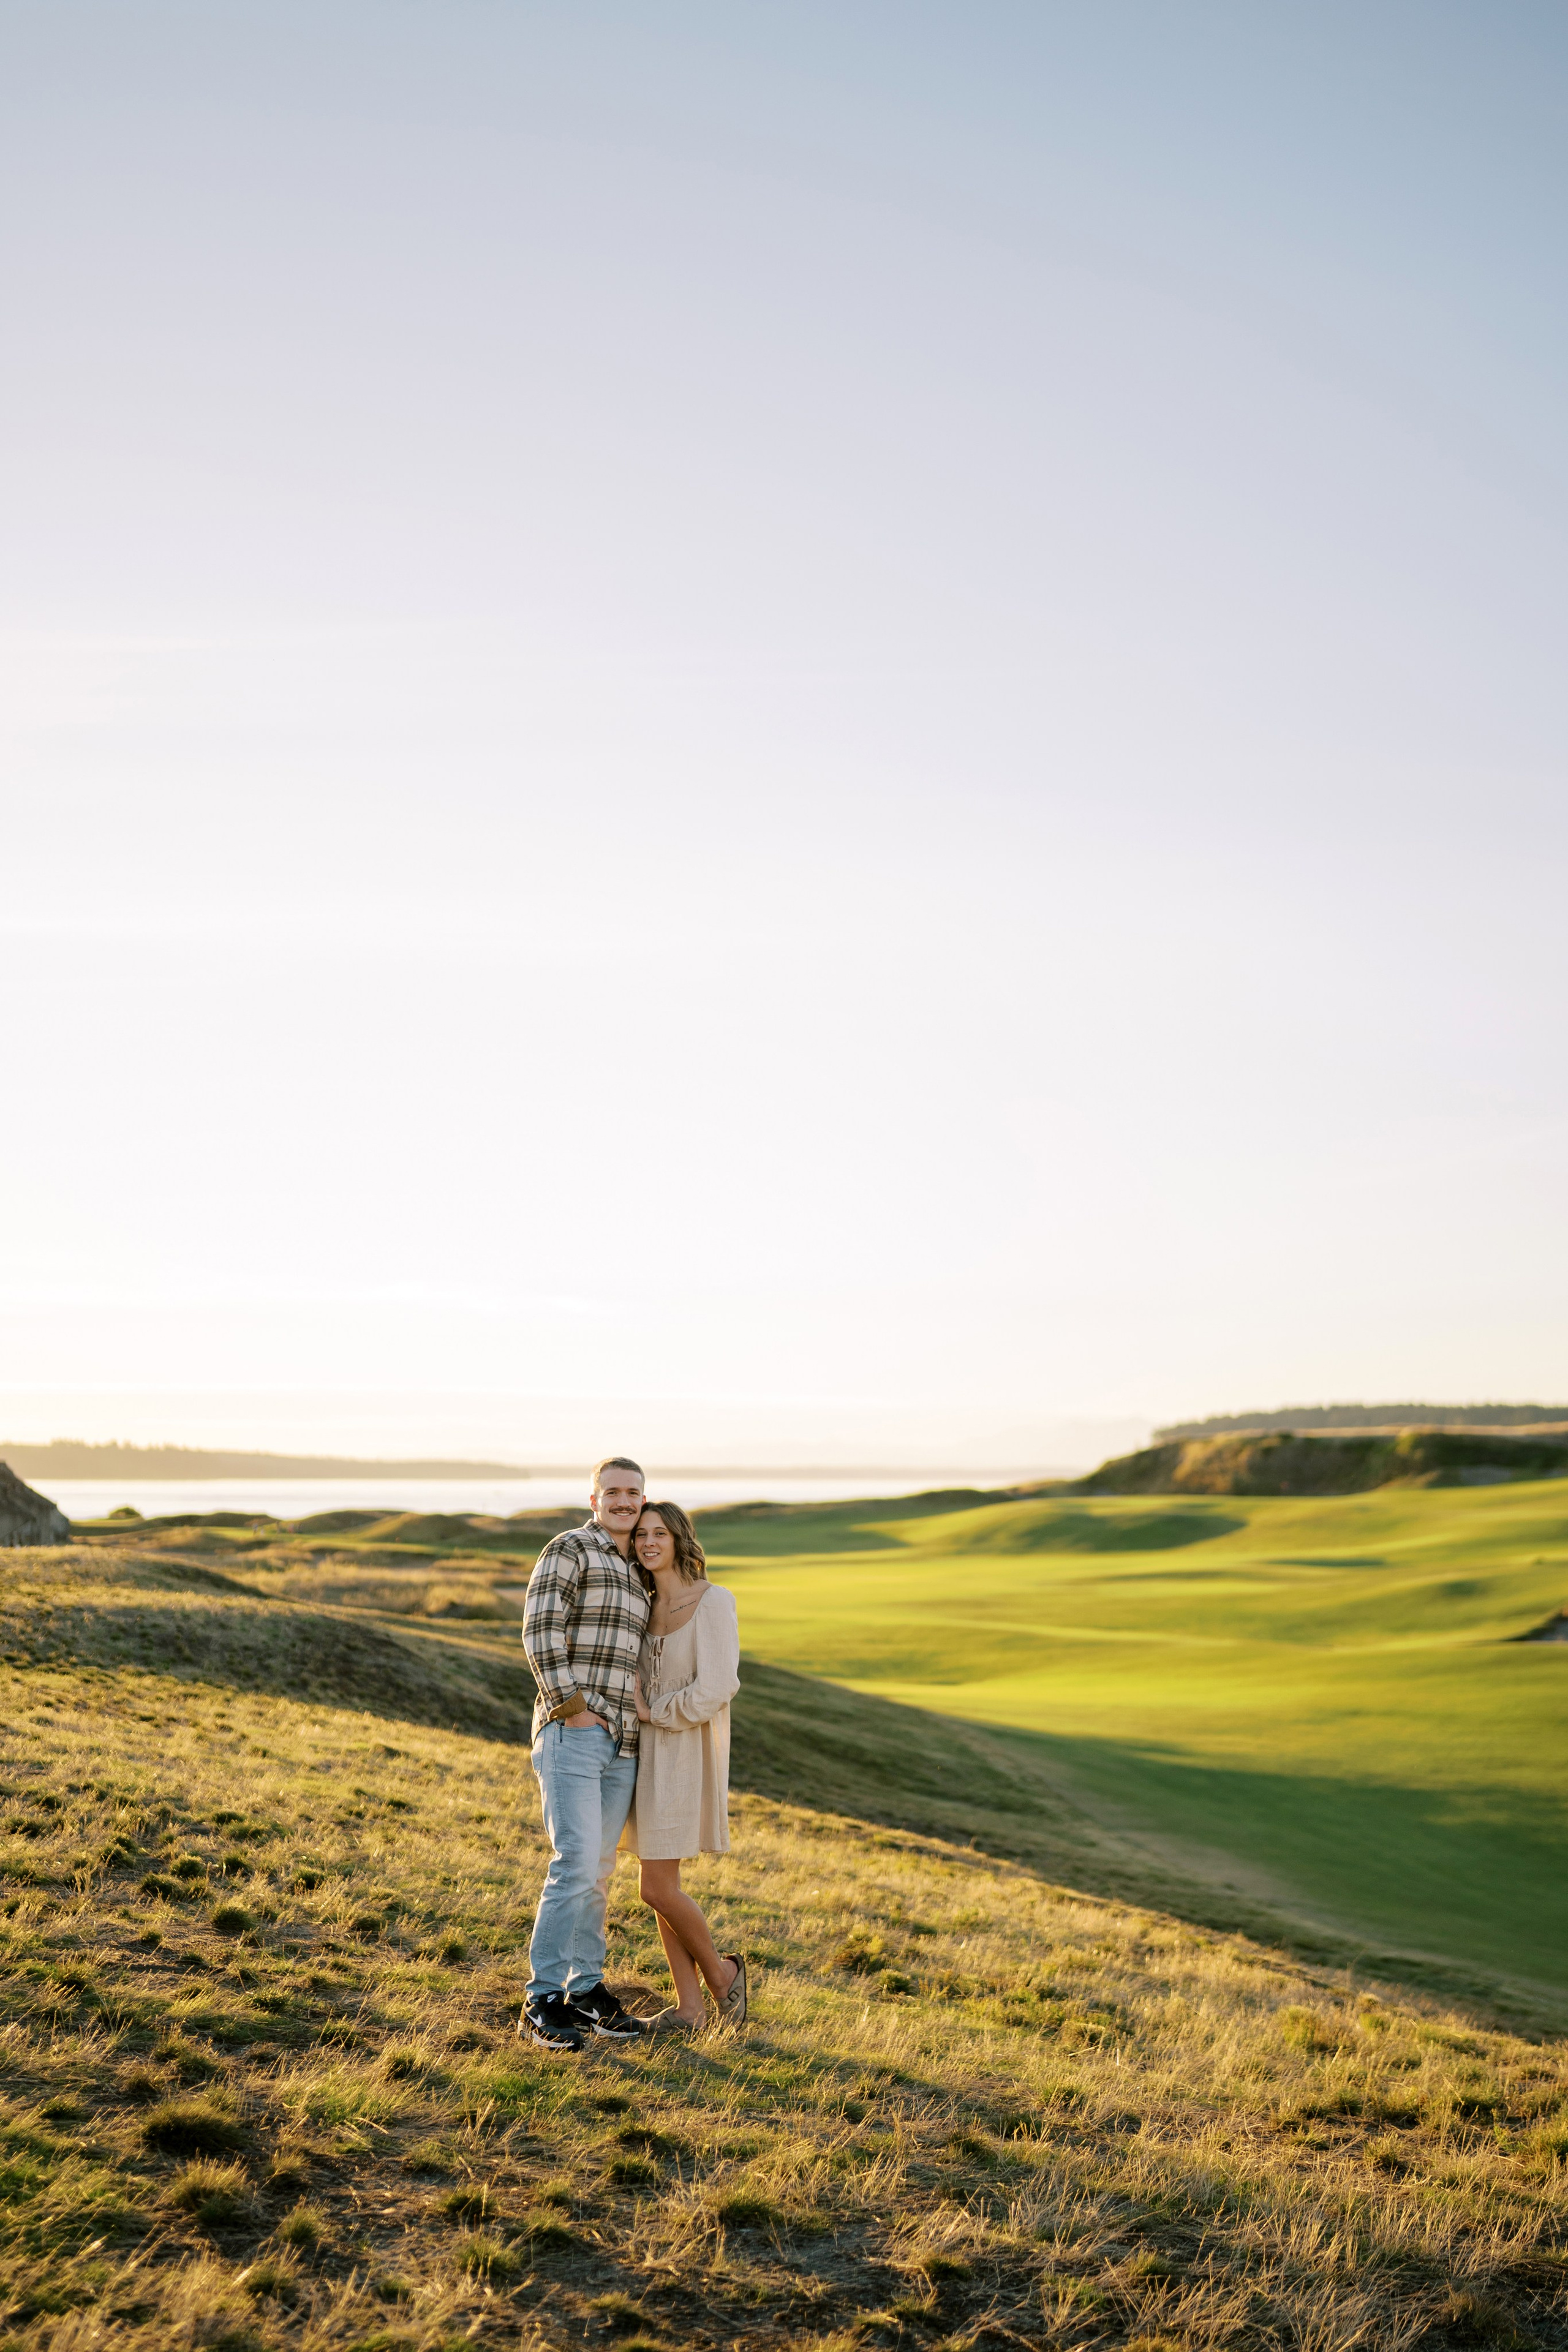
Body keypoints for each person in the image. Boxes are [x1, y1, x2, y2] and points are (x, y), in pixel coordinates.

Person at [519, 1456, 652, 2052]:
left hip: (622, 1743)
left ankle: (586, 1991)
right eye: (613, 1492)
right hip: (574, 1731)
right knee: (574, 1863)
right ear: (593, 1497)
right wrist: (571, 1706)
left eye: (633, 1492)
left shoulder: (636, 1568)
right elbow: (540, 1629)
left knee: (599, 1871)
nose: (624, 1501)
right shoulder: (571, 1547)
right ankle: (542, 1998)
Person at [623, 1498, 746, 2030]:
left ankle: (723, 1977)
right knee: (660, 1887)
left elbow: (720, 1685)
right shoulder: (640, 1604)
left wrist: (656, 1711)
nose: (649, 1542)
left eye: (659, 1533)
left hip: (682, 1749)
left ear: (679, 1539)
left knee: (657, 1888)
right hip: (642, 1753)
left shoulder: (713, 1601)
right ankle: (691, 2009)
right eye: (641, 1535)